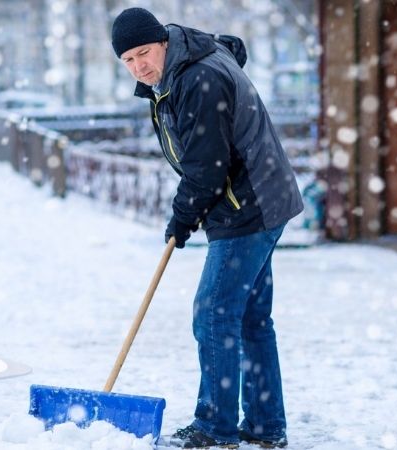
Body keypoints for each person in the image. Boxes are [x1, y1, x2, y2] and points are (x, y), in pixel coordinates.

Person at [111, 7, 303, 449]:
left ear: (162, 41)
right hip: (263, 198)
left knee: (214, 315)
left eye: (143, 53)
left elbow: (207, 168)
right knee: (251, 319)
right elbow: (226, 50)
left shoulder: (196, 78)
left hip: (247, 207)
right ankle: (265, 426)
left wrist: (182, 219)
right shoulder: (183, 65)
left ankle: (215, 429)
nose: (139, 66)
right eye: (128, 61)